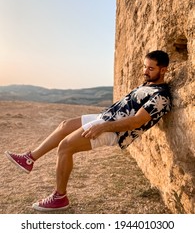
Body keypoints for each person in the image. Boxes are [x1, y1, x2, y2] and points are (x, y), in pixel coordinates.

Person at [5, 50, 172, 212]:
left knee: (65, 147)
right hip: (105, 117)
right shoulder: (148, 84)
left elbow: (136, 122)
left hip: (114, 131)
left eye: (151, 68)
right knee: (64, 125)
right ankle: (29, 159)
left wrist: (102, 126)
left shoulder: (161, 97)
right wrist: (102, 120)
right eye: (145, 66)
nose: (145, 71)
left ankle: (59, 197)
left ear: (163, 70)